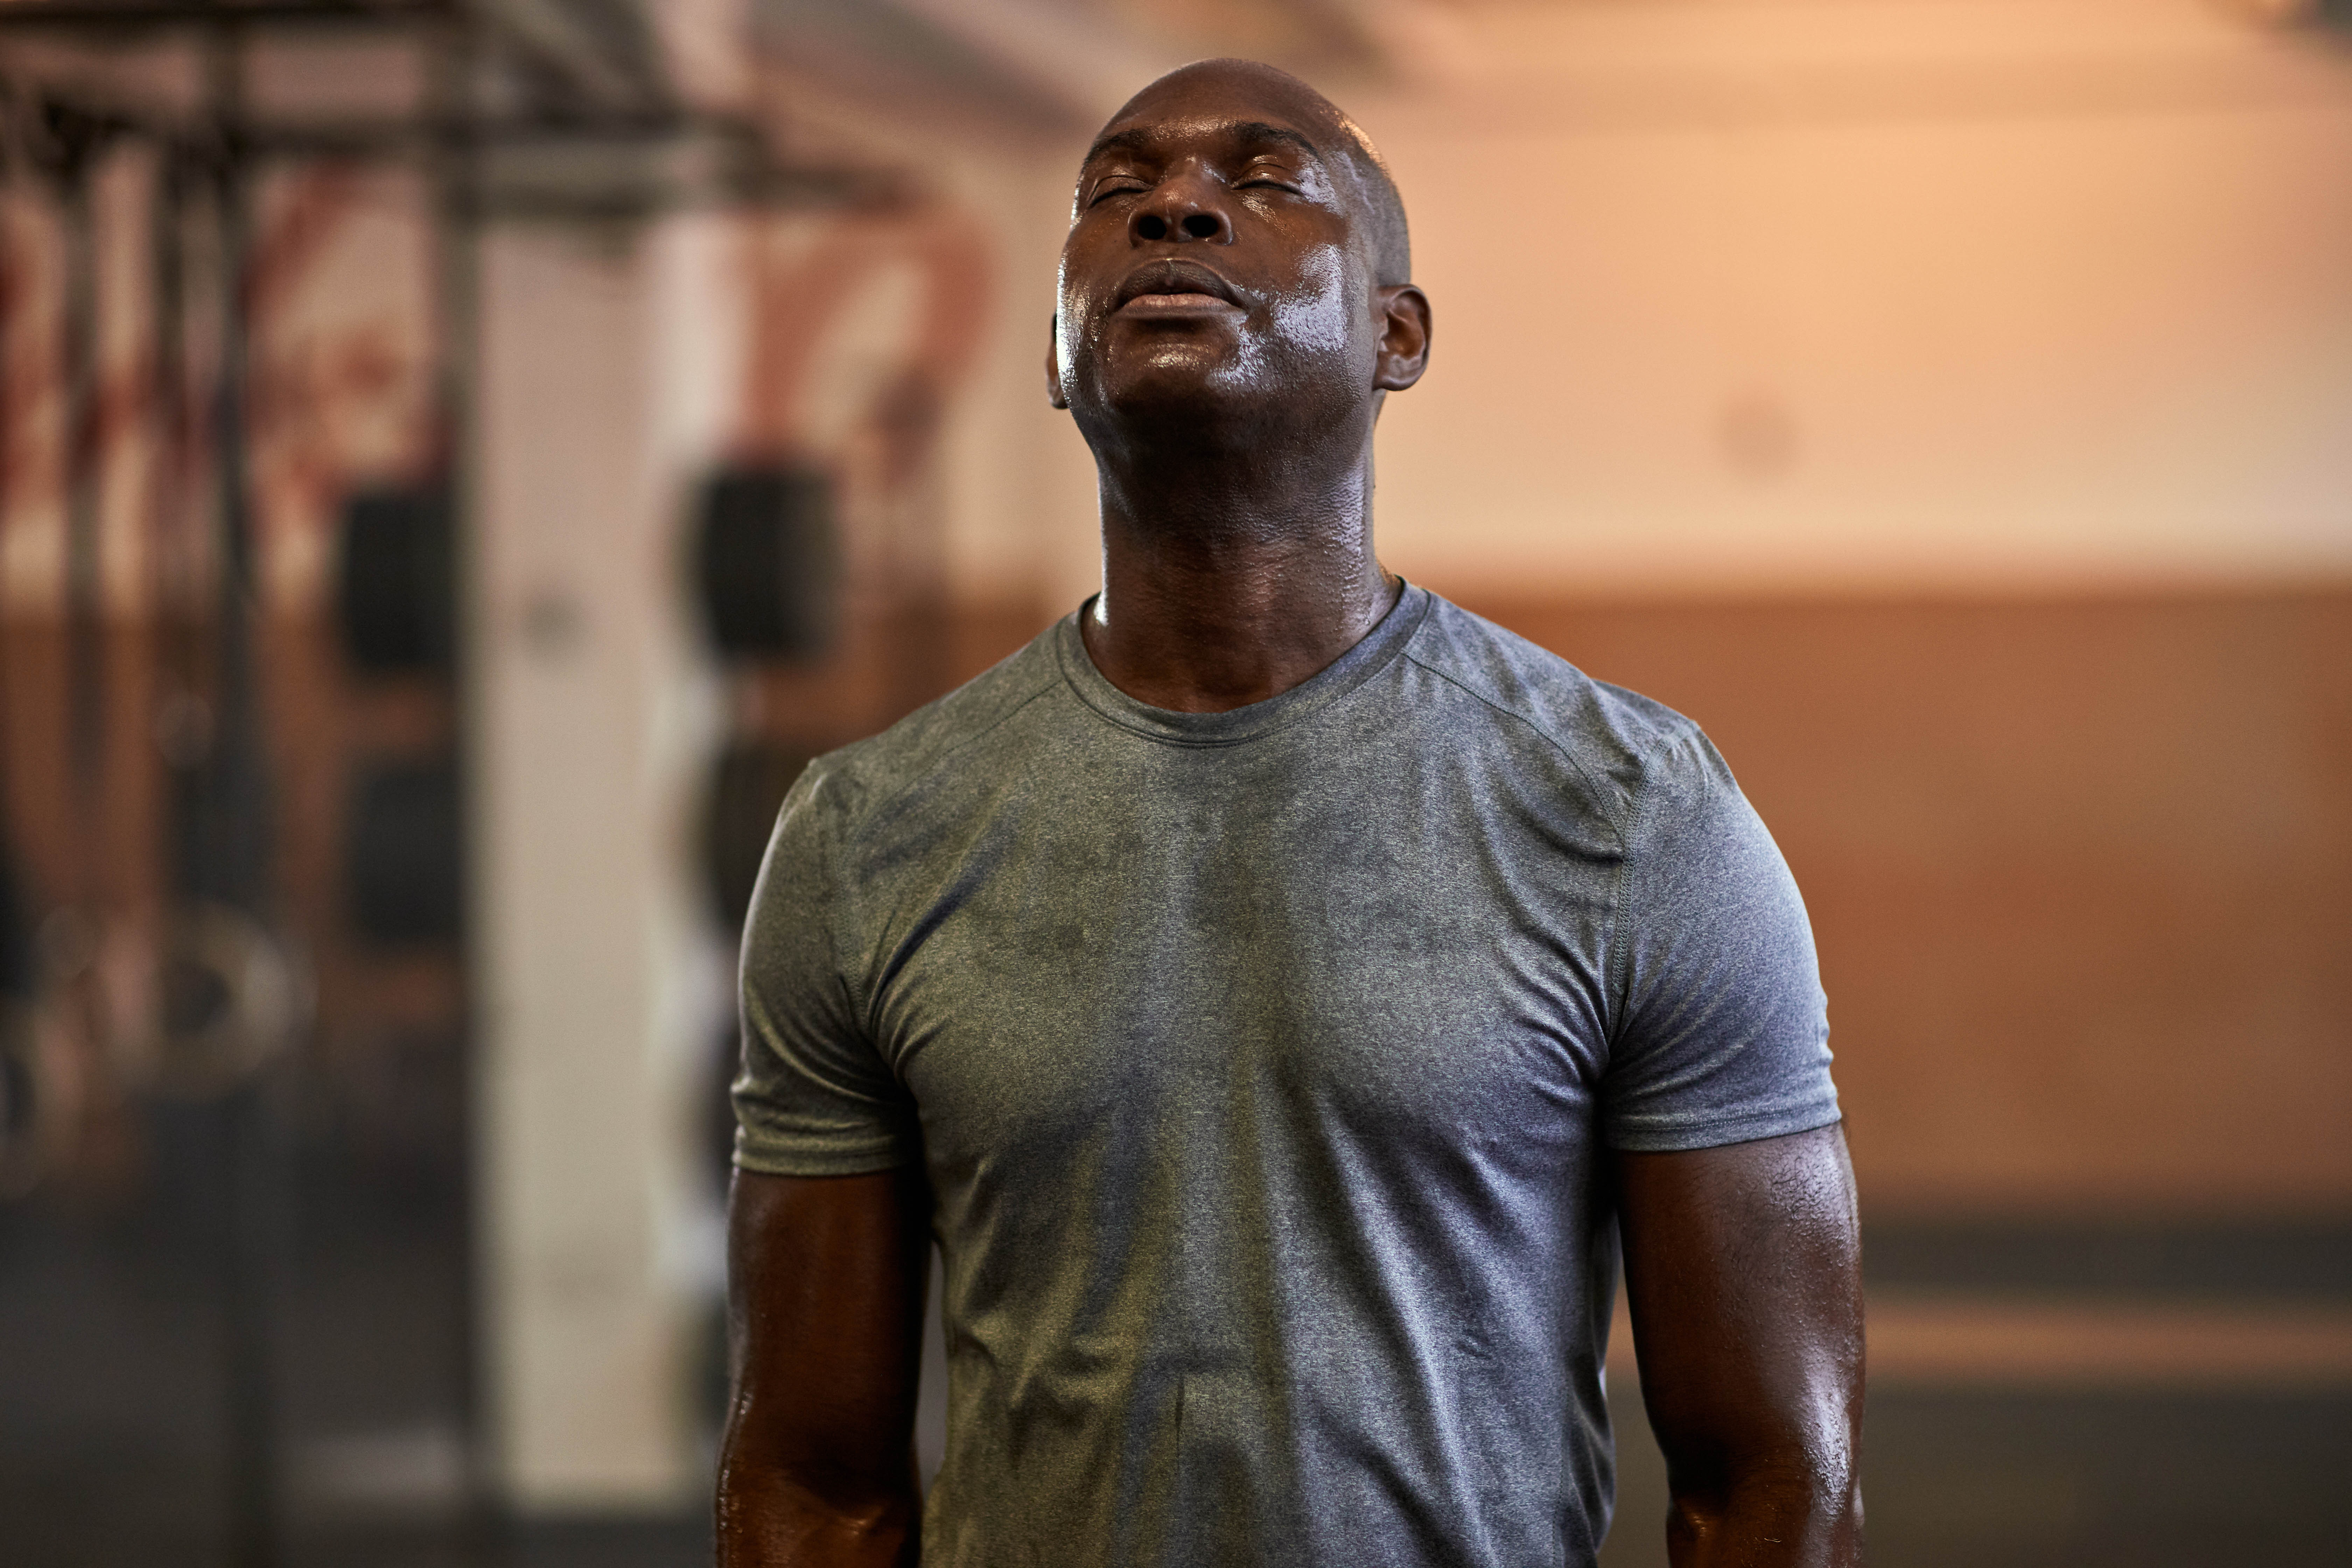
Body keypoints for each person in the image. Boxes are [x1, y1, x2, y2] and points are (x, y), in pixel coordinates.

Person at [718, 57, 1863, 1568]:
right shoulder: (865, 839)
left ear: (1398, 333)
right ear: (1057, 356)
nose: (1173, 208)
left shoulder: (1635, 815)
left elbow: (1774, 1477)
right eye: (1114, 193)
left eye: (1264, 182)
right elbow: (810, 1484)